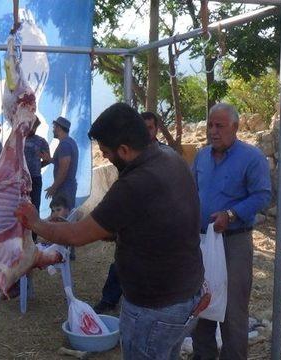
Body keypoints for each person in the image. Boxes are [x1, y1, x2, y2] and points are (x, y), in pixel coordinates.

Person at [16, 103, 204, 360]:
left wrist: (36, 223)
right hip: (184, 295)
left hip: (155, 308)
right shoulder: (171, 159)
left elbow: (76, 236)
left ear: (124, 150)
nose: (104, 157)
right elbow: (152, 221)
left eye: (105, 152)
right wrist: (105, 229)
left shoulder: (134, 183)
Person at [190, 103, 271, 360]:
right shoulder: (202, 156)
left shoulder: (251, 157)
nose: (213, 131)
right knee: (202, 304)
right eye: (210, 125)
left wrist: (232, 214)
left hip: (233, 243)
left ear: (235, 127)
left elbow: (262, 195)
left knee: (232, 310)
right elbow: (192, 191)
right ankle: (203, 356)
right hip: (202, 241)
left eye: (220, 126)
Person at [93, 110, 177, 314]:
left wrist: (38, 224)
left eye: (150, 128)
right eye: (143, 127)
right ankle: (110, 300)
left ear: (156, 129)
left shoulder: (164, 159)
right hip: (132, 238)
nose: (104, 156)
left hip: (153, 251)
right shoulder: (135, 162)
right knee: (120, 265)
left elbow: (81, 233)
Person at [45, 116, 78, 208]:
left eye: (54, 127)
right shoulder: (70, 142)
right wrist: (50, 159)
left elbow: (64, 170)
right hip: (67, 188)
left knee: (61, 219)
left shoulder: (64, 145)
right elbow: (62, 163)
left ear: (59, 128)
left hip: (64, 189)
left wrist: (54, 187)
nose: (53, 130)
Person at [24, 117, 51, 214]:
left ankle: (34, 229)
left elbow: (47, 159)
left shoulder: (41, 141)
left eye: (35, 127)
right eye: (32, 127)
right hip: (21, 179)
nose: (33, 129)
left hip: (35, 178)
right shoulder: (19, 141)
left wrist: (37, 166)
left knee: (34, 206)